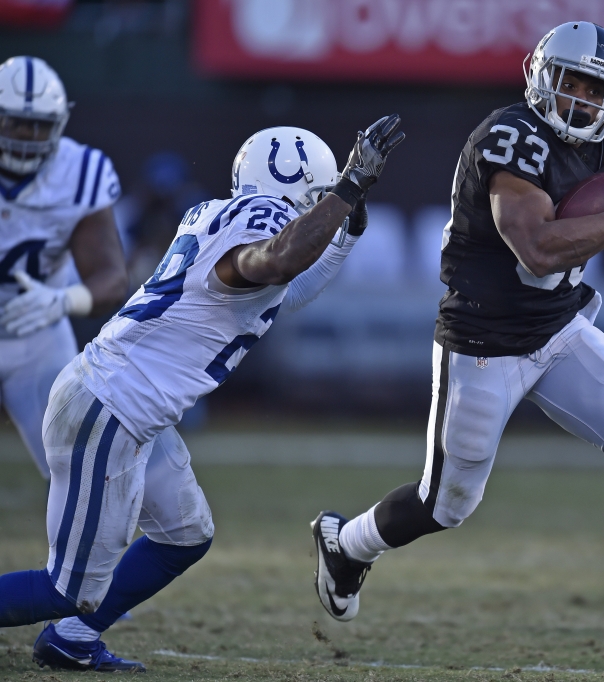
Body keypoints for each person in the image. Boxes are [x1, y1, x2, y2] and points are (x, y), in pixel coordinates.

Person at [311, 21, 604, 658]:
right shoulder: (509, 137)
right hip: (484, 344)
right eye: (570, 82)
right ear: (539, 74)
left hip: (557, 328)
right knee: (445, 504)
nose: (580, 100)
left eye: (594, 88)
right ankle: (345, 543)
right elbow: (540, 247)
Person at [0, 117, 405, 671]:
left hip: (126, 405)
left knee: (184, 535)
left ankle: (72, 639)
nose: (321, 209)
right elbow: (280, 259)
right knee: (66, 586)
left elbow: (286, 289)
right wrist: (350, 187)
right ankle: (71, 621)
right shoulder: (261, 220)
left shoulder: (222, 214)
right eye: (318, 197)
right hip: (111, 408)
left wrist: (347, 231)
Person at [0, 56, 128, 480]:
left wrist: (62, 300)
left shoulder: (79, 173)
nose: (27, 136)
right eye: (17, 122)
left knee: (77, 469)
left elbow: (112, 279)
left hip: (34, 333)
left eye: (39, 125)